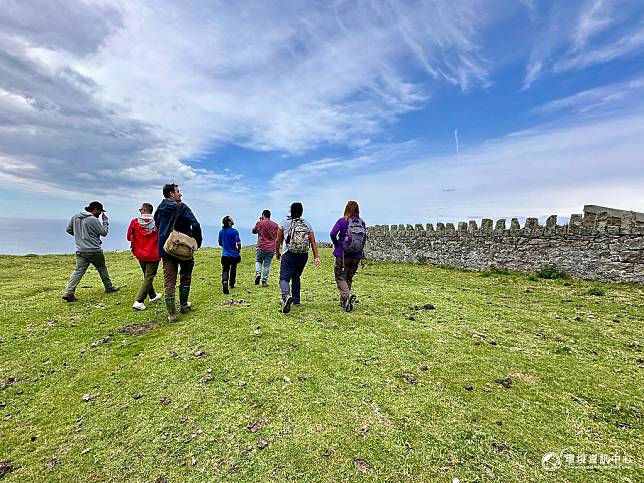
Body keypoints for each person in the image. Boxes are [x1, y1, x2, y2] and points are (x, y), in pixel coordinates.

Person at [154, 184, 202, 322]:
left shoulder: (160, 208)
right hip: (184, 249)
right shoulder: (182, 207)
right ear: (171, 194)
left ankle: (171, 315)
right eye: (178, 191)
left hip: (167, 248)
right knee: (185, 276)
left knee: (169, 281)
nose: (180, 194)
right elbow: (196, 225)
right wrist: (196, 241)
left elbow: (157, 224)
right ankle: (183, 305)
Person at [61, 201, 119, 302]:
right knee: (102, 268)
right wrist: (105, 221)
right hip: (94, 250)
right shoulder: (92, 219)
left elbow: (69, 230)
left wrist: (81, 237)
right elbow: (104, 232)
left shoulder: (75, 217)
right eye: (100, 212)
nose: (100, 215)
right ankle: (109, 287)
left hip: (80, 250)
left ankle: (68, 292)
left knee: (78, 271)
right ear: (95, 209)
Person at [275, 202, 321, 313]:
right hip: (303, 255)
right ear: (301, 211)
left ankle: (286, 296)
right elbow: (313, 241)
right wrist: (316, 257)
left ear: (291, 211)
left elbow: (278, 240)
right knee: (296, 277)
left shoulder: (284, 223)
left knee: (284, 278)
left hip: (288, 254)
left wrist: (277, 252)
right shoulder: (307, 224)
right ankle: (296, 301)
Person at [330, 201, 367, 312]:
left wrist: (337, 245)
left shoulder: (342, 221)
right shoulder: (362, 223)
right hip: (356, 255)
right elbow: (364, 238)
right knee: (348, 277)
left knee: (340, 276)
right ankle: (344, 301)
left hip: (343, 254)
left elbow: (332, 233)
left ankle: (347, 295)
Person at [127, 203, 163, 310]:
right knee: (149, 276)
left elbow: (129, 237)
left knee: (147, 276)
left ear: (143, 210)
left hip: (140, 253)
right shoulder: (158, 223)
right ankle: (139, 301)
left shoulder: (134, 222)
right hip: (153, 253)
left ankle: (152, 296)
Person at [252, 209, 279, 287]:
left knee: (258, 261)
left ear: (263, 215)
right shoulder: (275, 225)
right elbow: (278, 236)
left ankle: (258, 273)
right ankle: (264, 281)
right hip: (271, 248)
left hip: (261, 246)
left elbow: (253, 231)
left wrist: (260, 221)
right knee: (267, 265)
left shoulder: (260, 223)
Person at [218, 215, 241, 294]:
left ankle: (224, 281)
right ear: (229, 222)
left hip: (225, 255)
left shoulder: (221, 232)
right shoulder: (235, 231)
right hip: (234, 254)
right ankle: (232, 283)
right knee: (233, 268)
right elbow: (238, 243)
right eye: (231, 219)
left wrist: (225, 247)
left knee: (225, 269)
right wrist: (238, 249)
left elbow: (220, 242)